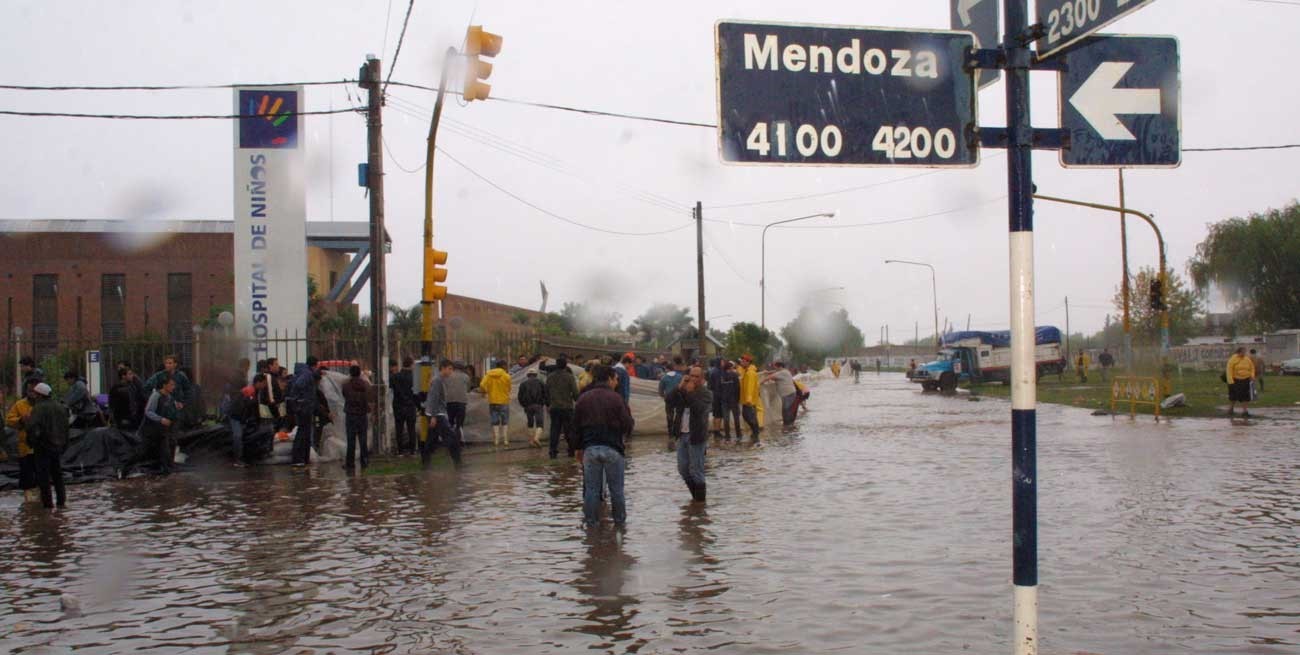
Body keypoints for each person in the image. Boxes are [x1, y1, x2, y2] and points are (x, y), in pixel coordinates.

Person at [574, 365, 634, 528]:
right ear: (609, 379)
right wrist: (624, 437)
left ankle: (591, 527)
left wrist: (578, 448)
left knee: (592, 490)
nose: (617, 382)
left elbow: (576, 426)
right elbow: (628, 424)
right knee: (617, 490)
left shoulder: (583, 398)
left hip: (590, 449)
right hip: (613, 448)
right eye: (615, 379)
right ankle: (620, 527)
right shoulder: (616, 398)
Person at [671, 366, 713, 503]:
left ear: (702, 379)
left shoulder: (706, 393)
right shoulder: (683, 390)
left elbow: (699, 409)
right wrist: (679, 387)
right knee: (683, 469)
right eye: (691, 376)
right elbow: (669, 400)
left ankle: (700, 503)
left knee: (696, 470)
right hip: (682, 434)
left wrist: (690, 393)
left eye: (696, 376)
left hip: (696, 435)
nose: (693, 379)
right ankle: (696, 499)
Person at [26, 383, 70, 509]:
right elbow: (66, 428)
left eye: (35, 394)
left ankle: (48, 505)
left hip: (43, 446)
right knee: (57, 475)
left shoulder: (38, 408)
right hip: (58, 446)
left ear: (40, 395)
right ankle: (61, 502)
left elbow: (33, 427)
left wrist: (32, 441)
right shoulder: (60, 407)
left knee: (43, 477)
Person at [422, 359, 465, 469]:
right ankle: (458, 464)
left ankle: (426, 463)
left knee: (431, 440)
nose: (451, 371)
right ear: (443, 368)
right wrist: (433, 416)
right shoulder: (437, 380)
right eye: (450, 369)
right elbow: (434, 398)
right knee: (452, 438)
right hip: (437, 414)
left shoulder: (440, 379)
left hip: (436, 413)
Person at [5, 379, 40, 503]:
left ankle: (41, 498)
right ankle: (28, 500)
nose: (32, 393)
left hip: (42, 446)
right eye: (30, 390)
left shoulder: (43, 405)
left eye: (34, 391)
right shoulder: (19, 405)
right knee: (26, 474)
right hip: (25, 447)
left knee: (41, 474)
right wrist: (20, 420)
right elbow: (9, 420)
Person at [287, 357, 322, 467]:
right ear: (314, 365)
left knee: (305, 433)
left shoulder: (306, 373)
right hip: (304, 408)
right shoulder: (307, 374)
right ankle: (298, 458)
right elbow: (298, 385)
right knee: (302, 433)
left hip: (305, 407)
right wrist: (300, 401)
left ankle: (304, 458)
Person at [142, 375, 180, 475]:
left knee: (172, 444)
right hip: (155, 429)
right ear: (164, 385)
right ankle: (166, 469)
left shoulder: (170, 397)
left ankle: (170, 467)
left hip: (167, 429)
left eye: (174, 385)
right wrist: (160, 419)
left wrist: (176, 407)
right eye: (171, 385)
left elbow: (171, 410)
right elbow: (148, 411)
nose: (173, 387)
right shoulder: (156, 396)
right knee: (164, 448)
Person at [545, 356, 579, 459]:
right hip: (567, 407)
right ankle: (571, 450)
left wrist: (548, 404)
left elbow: (546, 392)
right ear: (565, 365)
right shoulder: (569, 377)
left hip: (554, 407)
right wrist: (576, 400)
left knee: (554, 430)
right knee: (569, 430)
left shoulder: (550, 377)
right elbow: (575, 393)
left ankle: (552, 451)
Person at [341, 365, 374, 470]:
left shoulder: (346, 386)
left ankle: (350, 463)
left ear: (350, 373)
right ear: (360, 373)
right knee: (363, 439)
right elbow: (370, 397)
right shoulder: (365, 385)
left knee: (351, 440)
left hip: (350, 415)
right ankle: (365, 461)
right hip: (362, 414)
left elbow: (344, 395)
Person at [223, 358, 251, 467]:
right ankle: (238, 459)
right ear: (246, 366)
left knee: (237, 435)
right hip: (236, 411)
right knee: (237, 436)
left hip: (235, 411)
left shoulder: (235, 377)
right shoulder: (239, 378)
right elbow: (239, 395)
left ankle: (237, 458)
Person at [479, 359, 513, 447]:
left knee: (495, 421)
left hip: (493, 401)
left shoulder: (488, 375)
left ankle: (496, 440)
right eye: (506, 366)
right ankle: (505, 440)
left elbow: (482, 385)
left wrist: (485, 391)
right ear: (503, 366)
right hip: (504, 401)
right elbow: (509, 388)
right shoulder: (506, 376)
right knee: (505, 421)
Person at [390, 357, 417, 455]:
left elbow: (391, 387)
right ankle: (412, 450)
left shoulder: (395, 376)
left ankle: (400, 451)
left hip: (398, 405)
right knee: (411, 429)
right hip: (410, 406)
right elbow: (416, 393)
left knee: (399, 429)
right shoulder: (414, 377)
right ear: (411, 365)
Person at [658, 356, 686, 448]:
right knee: (678, 416)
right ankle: (677, 433)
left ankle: (670, 434)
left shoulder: (664, 378)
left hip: (669, 399)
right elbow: (683, 388)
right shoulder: (680, 377)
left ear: (667, 369)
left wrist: (664, 397)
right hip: (679, 398)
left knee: (669, 416)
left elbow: (660, 391)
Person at [108, 362, 146, 431]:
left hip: (132, 418)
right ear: (123, 376)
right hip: (123, 419)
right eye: (130, 374)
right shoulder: (117, 389)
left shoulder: (133, 386)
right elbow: (113, 405)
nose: (132, 376)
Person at [444, 361, 471, 449]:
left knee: (450, 423)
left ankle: (451, 442)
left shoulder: (447, 376)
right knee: (459, 424)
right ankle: (459, 443)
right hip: (461, 402)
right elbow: (468, 389)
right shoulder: (466, 377)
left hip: (449, 402)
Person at [763, 361, 799, 426]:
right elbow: (774, 372)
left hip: (788, 394)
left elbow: (769, 377)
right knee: (787, 409)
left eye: (775, 367)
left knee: (786, 409)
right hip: (790, 393)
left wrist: (759, 383)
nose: (774, 368)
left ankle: (787, 425)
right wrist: (767, 372)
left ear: (779, 367)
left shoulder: (782, 372)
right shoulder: (785, 371)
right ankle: (789, 424)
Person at [518, 369, 548, 448]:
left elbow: (520, 397)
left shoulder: (523, 384)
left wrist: (524, 405)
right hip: (538, 405)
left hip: (528, 406)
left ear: (528, 375)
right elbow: (546, 394)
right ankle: (536, 438)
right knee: (540, 423)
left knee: (530, 423)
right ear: (536, 375)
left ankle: (531, 441)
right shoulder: (541, 382)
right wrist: (544, 403)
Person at [738, 354, 763, 445]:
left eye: (743, 361)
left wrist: (749, 399)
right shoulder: (747, 371)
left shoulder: (750, 373)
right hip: (746, 400)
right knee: (748, 416)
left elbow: (750, 386)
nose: (741, 362)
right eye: (741, 361)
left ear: (748, 362)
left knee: (750, 417)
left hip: (749, 401)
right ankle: (755, 433)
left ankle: (756, 434)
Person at [1226, 346, 1256, 418]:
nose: (1244, 353)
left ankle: (1245, 412)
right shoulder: (1233, 359)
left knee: (1245, 396)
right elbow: (1229, 370)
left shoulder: (1247, 359)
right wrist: (1231, 381)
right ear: (1238, 352)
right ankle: (1231, 409)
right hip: (1235, 380)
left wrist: (1252, 376)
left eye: (1245, 352)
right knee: (1233, 396)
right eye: (1243, 352)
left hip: (1246, 380)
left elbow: (1252, 367)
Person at [720, 360, 741, 441]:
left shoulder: (721, 376)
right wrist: (738, 399)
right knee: (736, 418)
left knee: (726, 419)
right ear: (730, 367)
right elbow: (738, 388)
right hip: (733, 400)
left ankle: (727, 436)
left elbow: (719, 388)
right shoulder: (734, 375)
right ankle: (738, 435)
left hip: (724, 400)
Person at [707, 357, 725, 440]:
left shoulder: (712, 371)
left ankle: (716, 431)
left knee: (715, 414)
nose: (723, 363)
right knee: (718, 415)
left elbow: (710, 385)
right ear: (719, 362)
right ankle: (717, 432)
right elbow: (718, 385)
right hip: (718, 396)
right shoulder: (718, 372)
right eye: (722, 361)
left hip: (713, 394)